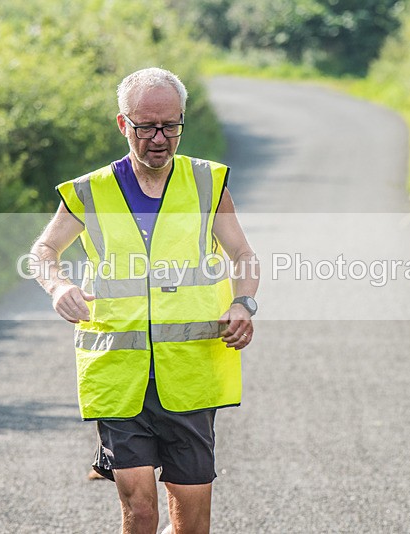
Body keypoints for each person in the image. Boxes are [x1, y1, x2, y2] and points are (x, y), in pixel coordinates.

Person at [29, 67, 259, 534]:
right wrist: (58, 286)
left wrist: (243, 305)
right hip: (118, 374)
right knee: (140, 510)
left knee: (191, 520)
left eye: (170, 125)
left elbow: (243, 254)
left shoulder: (206, 184)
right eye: (146, 126)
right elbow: (43, 251)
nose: (159, 138)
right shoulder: (89, 192)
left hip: (190, 374)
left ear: (181, 121)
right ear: (122, 124)